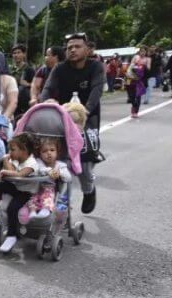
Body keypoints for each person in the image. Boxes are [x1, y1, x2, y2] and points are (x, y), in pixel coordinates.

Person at [39, 32, 105, 214]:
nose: (73, 50)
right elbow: (47, 90)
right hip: (61, 118)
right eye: (69, 48)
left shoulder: (96, 67)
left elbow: (96, 91)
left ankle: (89, 190)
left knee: (84, 162)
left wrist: (84, 112)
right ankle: (52, 200)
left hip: (87, 119)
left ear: (87, 49)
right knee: (52, 157)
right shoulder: (59, 68)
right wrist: (45, 103)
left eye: (77, 46)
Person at [0, 133, 39, 253]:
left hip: (26, 193)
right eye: (9, 150)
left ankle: (12, 236)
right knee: (0, 186)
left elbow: (20, 175)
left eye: (13, 150)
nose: (10, 152)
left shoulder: (31, 163)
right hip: (16, 188)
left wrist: (5, 171)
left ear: (24, 150)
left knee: (12, 208)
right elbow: (11, 171)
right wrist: (6, 161)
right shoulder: (17, 160)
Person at [19, 137, 71, 223]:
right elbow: (39, 169)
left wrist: (59, 173)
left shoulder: (60, 165)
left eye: (52, 150)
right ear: (40, 153)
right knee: (32, 197)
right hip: (36, 188)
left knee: (47, 194)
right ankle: (32, 212)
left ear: (57, 152)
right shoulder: (38, 162)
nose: (49, 153)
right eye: (44, 151)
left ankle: (46, 209)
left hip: (52, 190)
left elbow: (68, 177)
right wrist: (49, 171)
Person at [10, 44, 35, 119]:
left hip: (24, 101)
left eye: (19, 52)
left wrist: (27, 84)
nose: (16, 55)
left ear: (24, 54)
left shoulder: (29, 69)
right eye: (14, 53)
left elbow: (36, 86)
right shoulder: (10, 70)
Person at [126, 47, 149, 118]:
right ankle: (134, 106)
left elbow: (146, 74)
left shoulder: (145, 63)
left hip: (139, 82)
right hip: (130, 81)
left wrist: (145, 82)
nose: (143, 53)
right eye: (141, 51)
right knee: (131, 97)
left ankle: (135, 112)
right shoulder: (132, 64)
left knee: (138, 97)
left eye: (144, 52)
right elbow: (128, 72)